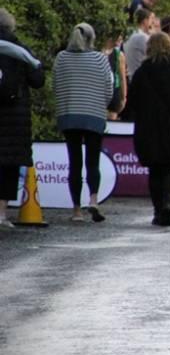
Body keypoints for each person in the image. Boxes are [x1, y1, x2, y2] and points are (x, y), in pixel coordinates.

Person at [129, 32, 170, 226]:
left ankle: (158, 208)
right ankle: (168, 203)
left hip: (148, 129)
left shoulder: (143, 71)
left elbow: (133, 101)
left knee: (154, 170)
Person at [53, 23, 113, 223]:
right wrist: (100, 105)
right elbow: (109, 89)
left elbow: (56, 86)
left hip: (69, 115)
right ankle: (94, 200)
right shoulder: (100, 59)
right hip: (94, 115)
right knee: (93, 161)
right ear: (91, 39)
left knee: (75, 162)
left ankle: (76, 211)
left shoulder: (61, 58)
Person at [0, 8, 45, 228]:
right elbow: (38, 80)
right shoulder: (20, 49)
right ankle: (1, 214)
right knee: (8, 166)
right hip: (14, 116)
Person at [123, 7, 157, 82]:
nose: (153, 23)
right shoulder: (142, 37)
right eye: (151, 19)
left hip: (132, 77)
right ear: (145, 21)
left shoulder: (129, 34)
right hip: (143, 79)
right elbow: (155, 55)